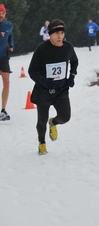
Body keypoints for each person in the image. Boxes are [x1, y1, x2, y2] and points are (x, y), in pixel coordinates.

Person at [28, 19, 79, 155]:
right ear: (49, 34)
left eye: (62, 33)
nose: (60, 36)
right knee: (41, 120)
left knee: (65, 117)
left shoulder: (68, 47)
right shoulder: (41, 49)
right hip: (43, 91)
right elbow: (32, 71)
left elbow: (74, 61)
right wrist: (44, 81)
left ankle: (54, 123)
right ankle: (42, 143)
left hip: (61, 90)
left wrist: (72, 76)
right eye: (56, 33)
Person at [0, 4, 14, 121]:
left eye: (2, 13)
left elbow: (10, 36)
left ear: (5, 14)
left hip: (3, 57)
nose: (0, 15)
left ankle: (3, 110)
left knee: (6, 82)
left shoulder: (8, 25)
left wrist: (12, 45)